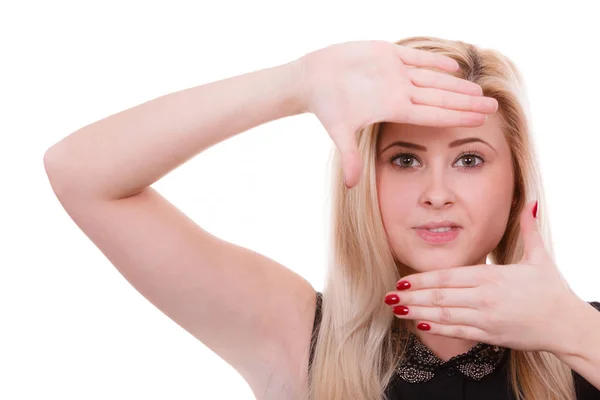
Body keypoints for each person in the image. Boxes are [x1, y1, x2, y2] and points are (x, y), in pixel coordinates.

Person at [43, 36, 600, 400]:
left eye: (469, 159)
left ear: (517, 183)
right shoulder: (297, 336)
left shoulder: (585, 332)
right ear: (364, 179)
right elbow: (81, 174)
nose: (437, 192)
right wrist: (295, 84)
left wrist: (575, 331)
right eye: (404, 159)